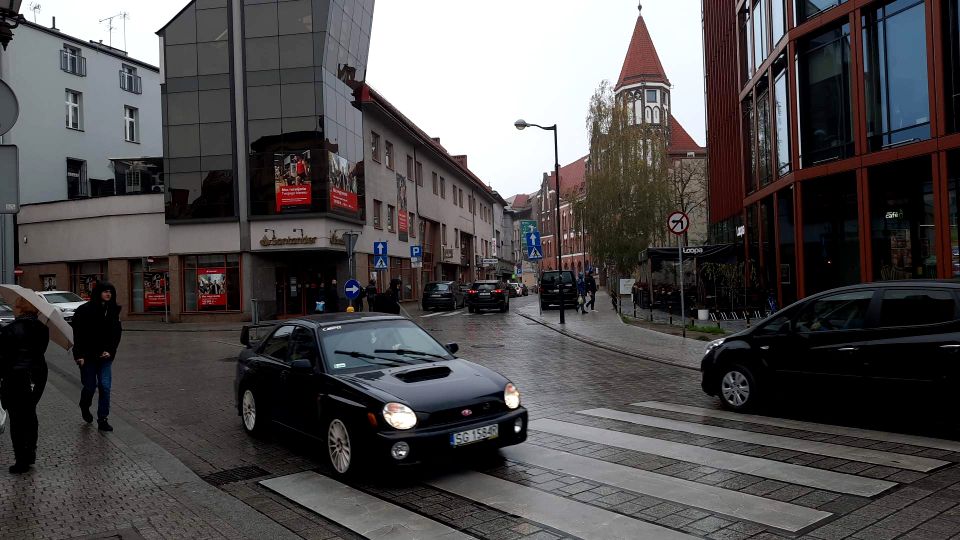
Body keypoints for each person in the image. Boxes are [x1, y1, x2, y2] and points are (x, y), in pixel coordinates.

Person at [0, 298, 49, 473]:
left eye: (15, 306)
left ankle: (21, 459)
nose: (13, 309)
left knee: (16, 421)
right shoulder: (43, 329)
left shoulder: (9, 330)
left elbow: (3, 358)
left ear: (21, 309)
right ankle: (30, 454)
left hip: (14, 379)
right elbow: (40, 353)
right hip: (35, 379)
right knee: (30, 417)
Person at [72, 281, 122, 432]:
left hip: (105, 357)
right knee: (89, 387)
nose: (108, 294)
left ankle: (103, 419)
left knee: (105, 387)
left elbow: (116, 334)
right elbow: (78, 334)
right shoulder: (84, 310)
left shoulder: (113, 310)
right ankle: (85, 405)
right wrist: (78, 355)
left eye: (110, 292)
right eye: (105, 291)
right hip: (87, 357)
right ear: (98, 292)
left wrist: (111, 350)